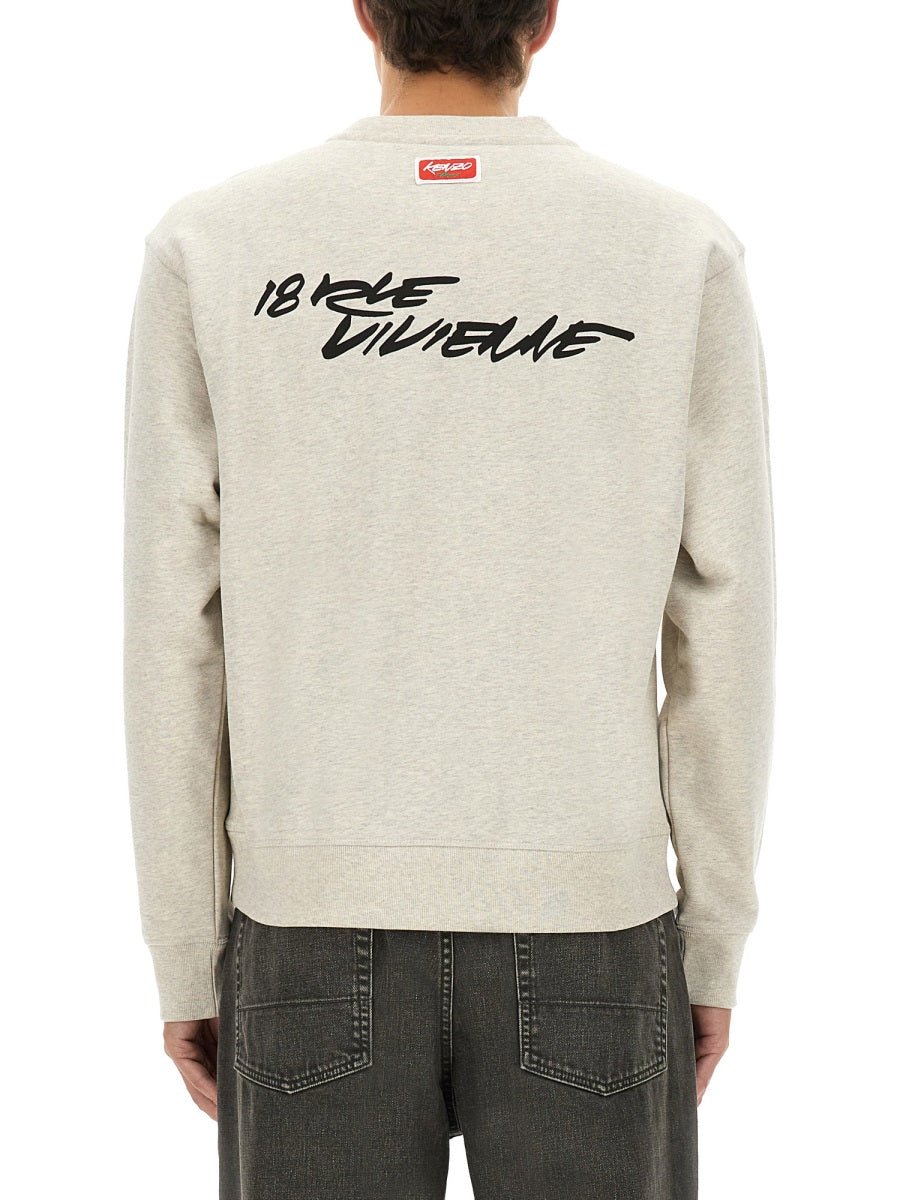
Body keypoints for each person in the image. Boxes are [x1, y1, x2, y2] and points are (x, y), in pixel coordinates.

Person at [122, 1, 776, 1196]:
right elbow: (724, 617)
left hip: (305, 928)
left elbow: (174, 625)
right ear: (546, 19)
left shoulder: (214, 246)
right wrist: (715, 934)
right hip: (591, 921)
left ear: (364, 13)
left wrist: (184, 942)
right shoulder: (674, 250)